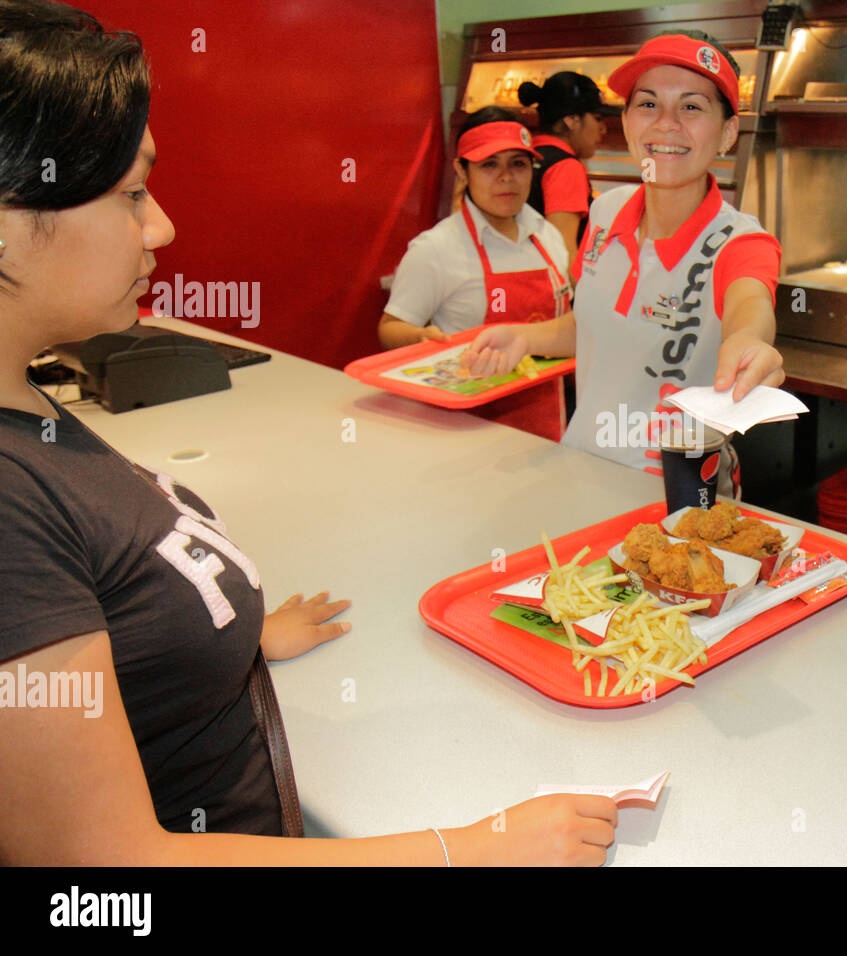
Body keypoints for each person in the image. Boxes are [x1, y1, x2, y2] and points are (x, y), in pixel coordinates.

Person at [0, 0, 616, 865]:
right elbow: (102, 878)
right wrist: (464, 852)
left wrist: (226, 634)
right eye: (132, 192)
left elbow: (97, 598)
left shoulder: (23, 405)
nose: (162, 226)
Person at [462, 31, 784, 479]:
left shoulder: (740, 242)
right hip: (579, 471)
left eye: (691, 106)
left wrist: (748, 342)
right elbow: (596, 325)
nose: (666, 122)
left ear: (728, 131)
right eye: (648, 104)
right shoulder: (605, 213)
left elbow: (749, 309)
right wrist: (524, 338)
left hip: (679, 500)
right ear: (628, 121)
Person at [377, 107, 571, 350]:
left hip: (550, 387)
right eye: (490, 165)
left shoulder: (548, 235)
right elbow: (390, 327)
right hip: (470, 384)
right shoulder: (435, 249)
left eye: (518, 164)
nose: (506, 177)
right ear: (462, 171)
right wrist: (420, 337)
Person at [518, 71, 618, 264]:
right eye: (597, 118)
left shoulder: (526, 156)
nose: (603, 129)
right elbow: (562, 254)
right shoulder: (565, 167)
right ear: (571, 120)